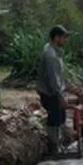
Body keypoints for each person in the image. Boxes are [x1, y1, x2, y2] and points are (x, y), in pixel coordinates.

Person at [36, 25, 69, 157]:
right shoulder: (51, 56)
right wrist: (60, 95)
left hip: (55, 92)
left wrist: (69, 87)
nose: (65, 40)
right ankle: (54, 146)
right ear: (56, 38)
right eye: (63, 38)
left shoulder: (54, 52)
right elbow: (53, 78)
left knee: (61, 116)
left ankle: (58, 144)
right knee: (55, 118)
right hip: (51, 93)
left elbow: (59, 75)